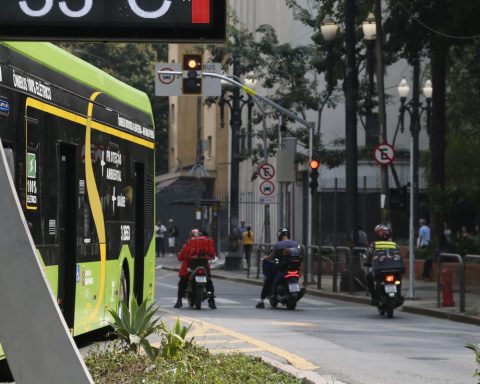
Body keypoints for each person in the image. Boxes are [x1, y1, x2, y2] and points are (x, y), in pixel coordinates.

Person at [255, 227, 299, 309]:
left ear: (279, 235)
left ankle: (261, 301)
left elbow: (271, 257)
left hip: (281, 269)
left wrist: (264, 258)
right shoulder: (296, 243)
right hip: (294, 269)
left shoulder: (277, 245)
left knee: (268, 281)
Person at [174, 229, 216, 309]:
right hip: (204, 267)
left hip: (189, 268)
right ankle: (212, 302)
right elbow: (212, 254)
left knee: (182, 282)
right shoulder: (205, 244)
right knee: (209, 283)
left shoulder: (188, 245)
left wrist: (180, 257)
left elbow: (181, 257)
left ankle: (179, 301)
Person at [365, 224, 402, 305]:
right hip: (394, 269)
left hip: (379, 270)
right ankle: (398, 295)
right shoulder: (394, 244)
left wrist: (367, 263)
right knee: (398, 280)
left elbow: (369, 255)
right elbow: (399, 256)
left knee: (368, 277)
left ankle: (374, 298)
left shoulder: (374, 245)